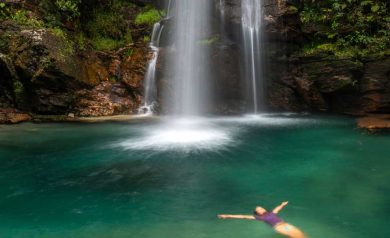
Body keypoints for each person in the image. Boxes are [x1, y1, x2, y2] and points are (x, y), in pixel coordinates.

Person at [218, 201, 306, 238]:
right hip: (279, 228)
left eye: (261, 208)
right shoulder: (259, 217)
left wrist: (283, 204)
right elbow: (243, 216)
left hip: (286, 224)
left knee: (302, 235)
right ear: (257, 213)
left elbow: (278, 208)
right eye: (258, 209)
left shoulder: (272, 213)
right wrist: (227, 216)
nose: (261, 209)